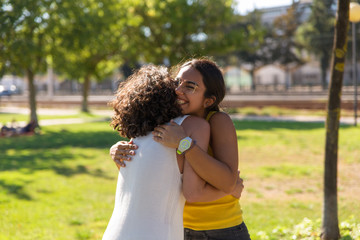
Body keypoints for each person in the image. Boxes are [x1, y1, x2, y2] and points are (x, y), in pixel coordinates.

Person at [110, 58, 251, 240]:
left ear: (208, 101)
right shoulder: (167, 120)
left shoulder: (218, 122)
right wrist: (117, 152)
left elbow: (227, 180)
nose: (178, 90)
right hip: (179, 230)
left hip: (222, 230)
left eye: (190, 87)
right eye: (177, 82)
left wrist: (184, 144)